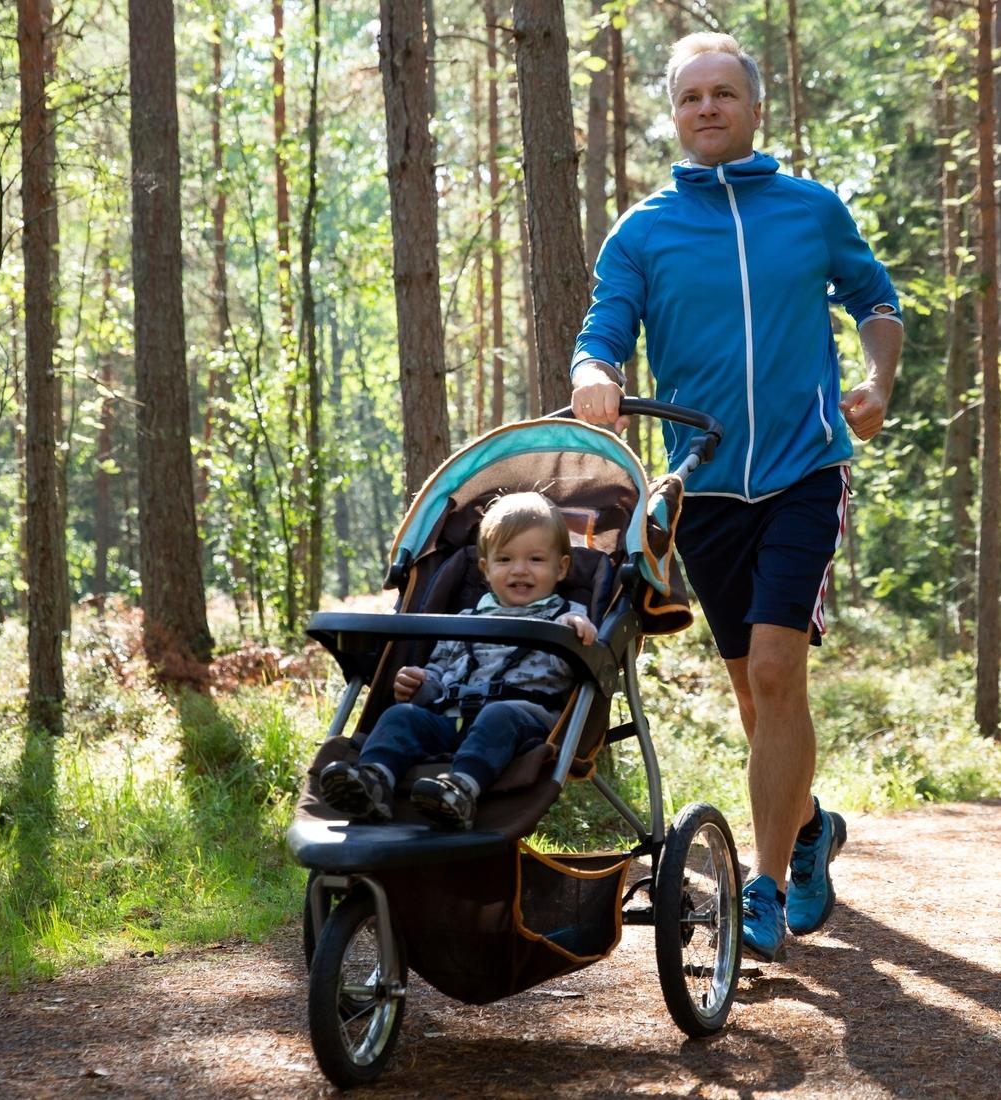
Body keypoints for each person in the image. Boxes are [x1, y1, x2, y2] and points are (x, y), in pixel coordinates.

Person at [570, 32, 903, 961]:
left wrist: (877, 384)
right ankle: (807, 832)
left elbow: (876, 300)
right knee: (755, 698)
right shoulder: (644, 231)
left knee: (773, 671)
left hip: (805, 469)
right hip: (705, 484)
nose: (708, 108)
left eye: (724, 93)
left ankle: (760, 889)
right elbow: (603, 330)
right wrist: (595, 371)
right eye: (691, 98)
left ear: (754, 107)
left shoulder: (810, 209)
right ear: (673, 116)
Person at [319, 492, 596, 830]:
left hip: (522, 723)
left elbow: (578, 659)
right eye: (505, 559)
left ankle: (460, 789)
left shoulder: (566, 617)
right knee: (401, 716)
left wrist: (577, 632)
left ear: (561, 567)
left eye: (536, 559)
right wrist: (420, 684)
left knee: (498, 714)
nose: (520, 570)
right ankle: (373, 780)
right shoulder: (465, 619)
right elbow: (440, 673)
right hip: (452, 718)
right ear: (485, 568)